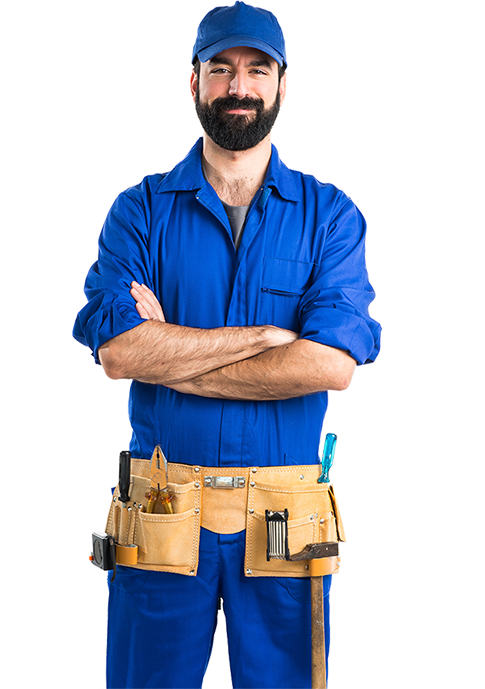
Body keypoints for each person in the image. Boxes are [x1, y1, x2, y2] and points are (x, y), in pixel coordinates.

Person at [72, 2, 381, 687]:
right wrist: (267, 341)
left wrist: (172, 356)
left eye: (255, 69)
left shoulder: (330, 217)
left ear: (280, 86)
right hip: (161, 510)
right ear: (193, 83)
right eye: (219, 69)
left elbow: (330, 365)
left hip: (282, 517)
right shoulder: (140, 211)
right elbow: (120, 355)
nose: (236, 85)